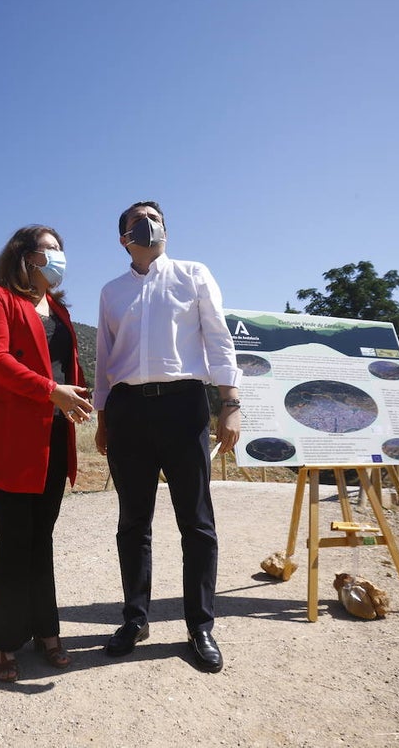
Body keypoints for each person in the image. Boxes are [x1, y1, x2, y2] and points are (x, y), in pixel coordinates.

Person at [94, 201, 241, 674]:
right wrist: (102, 417)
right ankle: (135, 619)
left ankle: (200, 626)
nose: (151, 224)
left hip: (184, 405)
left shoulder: (193, 274)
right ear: (124, 237)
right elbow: (103, 357)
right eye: (140, 219)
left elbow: (218, 338)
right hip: (128, 410)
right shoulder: (111, 291)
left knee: (196, 522)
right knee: (133, 522)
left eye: (156, 218)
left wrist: (230, 404)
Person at [0, 224, 92, 684]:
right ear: (24, 256)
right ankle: (3, 642)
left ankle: (46, 631)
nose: (57, 257)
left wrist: (84, 399)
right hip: (10, 437)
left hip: (53, 437)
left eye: (60, 249)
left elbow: (68, 366)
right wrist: (52, 391)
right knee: (13, 539)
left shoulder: (61, 311)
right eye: (49, 249)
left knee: (41, 538)